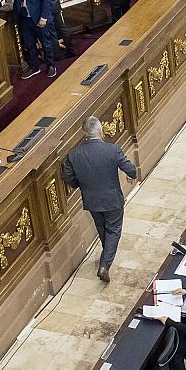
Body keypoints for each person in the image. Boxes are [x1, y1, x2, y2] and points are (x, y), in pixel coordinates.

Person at [61, 116, 137, 283]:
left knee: (102, 229)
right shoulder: (112, 150)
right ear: (101, 131)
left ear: (84, 133)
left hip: (92, 200)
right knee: (114, 230)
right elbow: (129, 167)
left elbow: (68, 177)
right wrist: (132, 175)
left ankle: (105, 256)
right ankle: (105, 265)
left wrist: (79, 185)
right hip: (112, 200)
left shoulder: (74, 154)